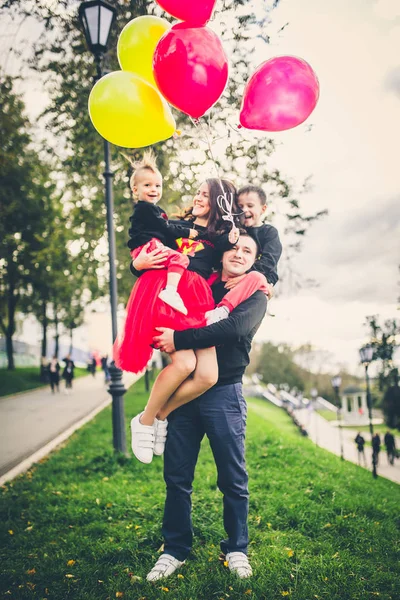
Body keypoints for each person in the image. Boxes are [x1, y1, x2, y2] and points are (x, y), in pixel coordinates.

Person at [116, 175, 272, 465]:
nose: (197, 198)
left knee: (207, 376)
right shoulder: (176, 227)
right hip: (169, 297)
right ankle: (146, 421)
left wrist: (264, 280)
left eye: (205, 195)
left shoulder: (221, 238)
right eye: (197, 193)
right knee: (186, 364)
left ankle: (159, 416)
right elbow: (146, 245)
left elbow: (250, 256)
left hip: (197, 305)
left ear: (217, 203)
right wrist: (135, 264)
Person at [143, 232, 267, 582]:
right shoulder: (201, 281)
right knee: (177, 477)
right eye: (236, 248)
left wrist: (180, 338)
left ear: (254, 259)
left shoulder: (255, 294)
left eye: (248, 251)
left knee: (233, 477)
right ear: (223, 252)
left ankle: (237, 547)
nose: (240, 254)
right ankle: (174, 549)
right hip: (185, 393)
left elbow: (233, 329)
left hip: (225, 393)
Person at [127, 151, 199, 315]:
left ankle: (171, 291)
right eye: (147, 185)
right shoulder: (146, 209)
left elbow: (165, 232)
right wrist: (188, 232)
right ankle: (170, 291)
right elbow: (165, 227)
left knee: (176, 256)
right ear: (135, 189)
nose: (153, 189)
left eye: (157, 186)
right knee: (179, 258)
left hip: (149, 246)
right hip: (148, 245)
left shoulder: (153, 210)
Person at [205, 185, 282, 324]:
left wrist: (245, 277)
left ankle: (224, 310)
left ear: (263, 209)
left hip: (255, 280)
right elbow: (218, 249)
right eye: (240, 206)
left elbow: (269, 260)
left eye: (250, 205)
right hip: (227, 281)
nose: (245, 210)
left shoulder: (268, 233)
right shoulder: (233, 229)